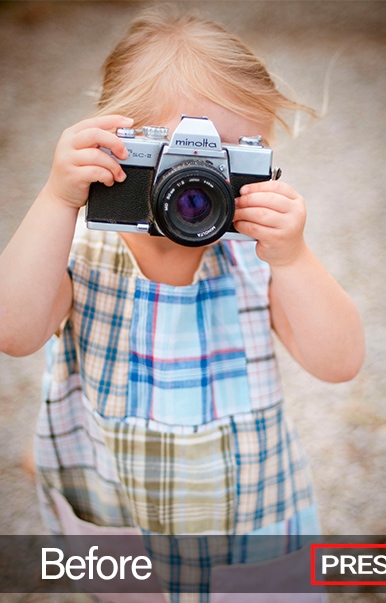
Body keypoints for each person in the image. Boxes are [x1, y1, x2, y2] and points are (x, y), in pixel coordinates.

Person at [0, 6, 364, 596]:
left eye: (227, 158)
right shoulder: (84, 249)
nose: (198, 187)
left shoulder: (254, 256)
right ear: (119, 150)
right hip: (116, 521)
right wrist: (56, 198)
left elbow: (340, 361)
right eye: (177, 157)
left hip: (250, 526)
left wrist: (294, 258)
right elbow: (13, 333)